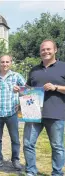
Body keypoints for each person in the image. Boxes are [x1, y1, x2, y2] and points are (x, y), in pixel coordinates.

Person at [22, 39, 65, 176]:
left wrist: (56, 87)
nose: (45, 52)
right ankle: (31, 171)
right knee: (28, 144)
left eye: (48, 49)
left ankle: (57, 173)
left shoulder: (63, 67)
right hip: (34, 113)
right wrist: (21, 90)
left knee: (57, 146)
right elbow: (28, 88)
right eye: (43, 50)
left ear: (55, 50)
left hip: (56, 113)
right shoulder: (34, 70)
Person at [0, 55, 25, 170]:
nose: (5, 64)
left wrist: (21, 93)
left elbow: (28, 90)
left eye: (7, 62)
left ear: (11, 63)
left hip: (12, 113)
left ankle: (15, 160)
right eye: (2, 62)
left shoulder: (17, 76)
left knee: (15, 139)